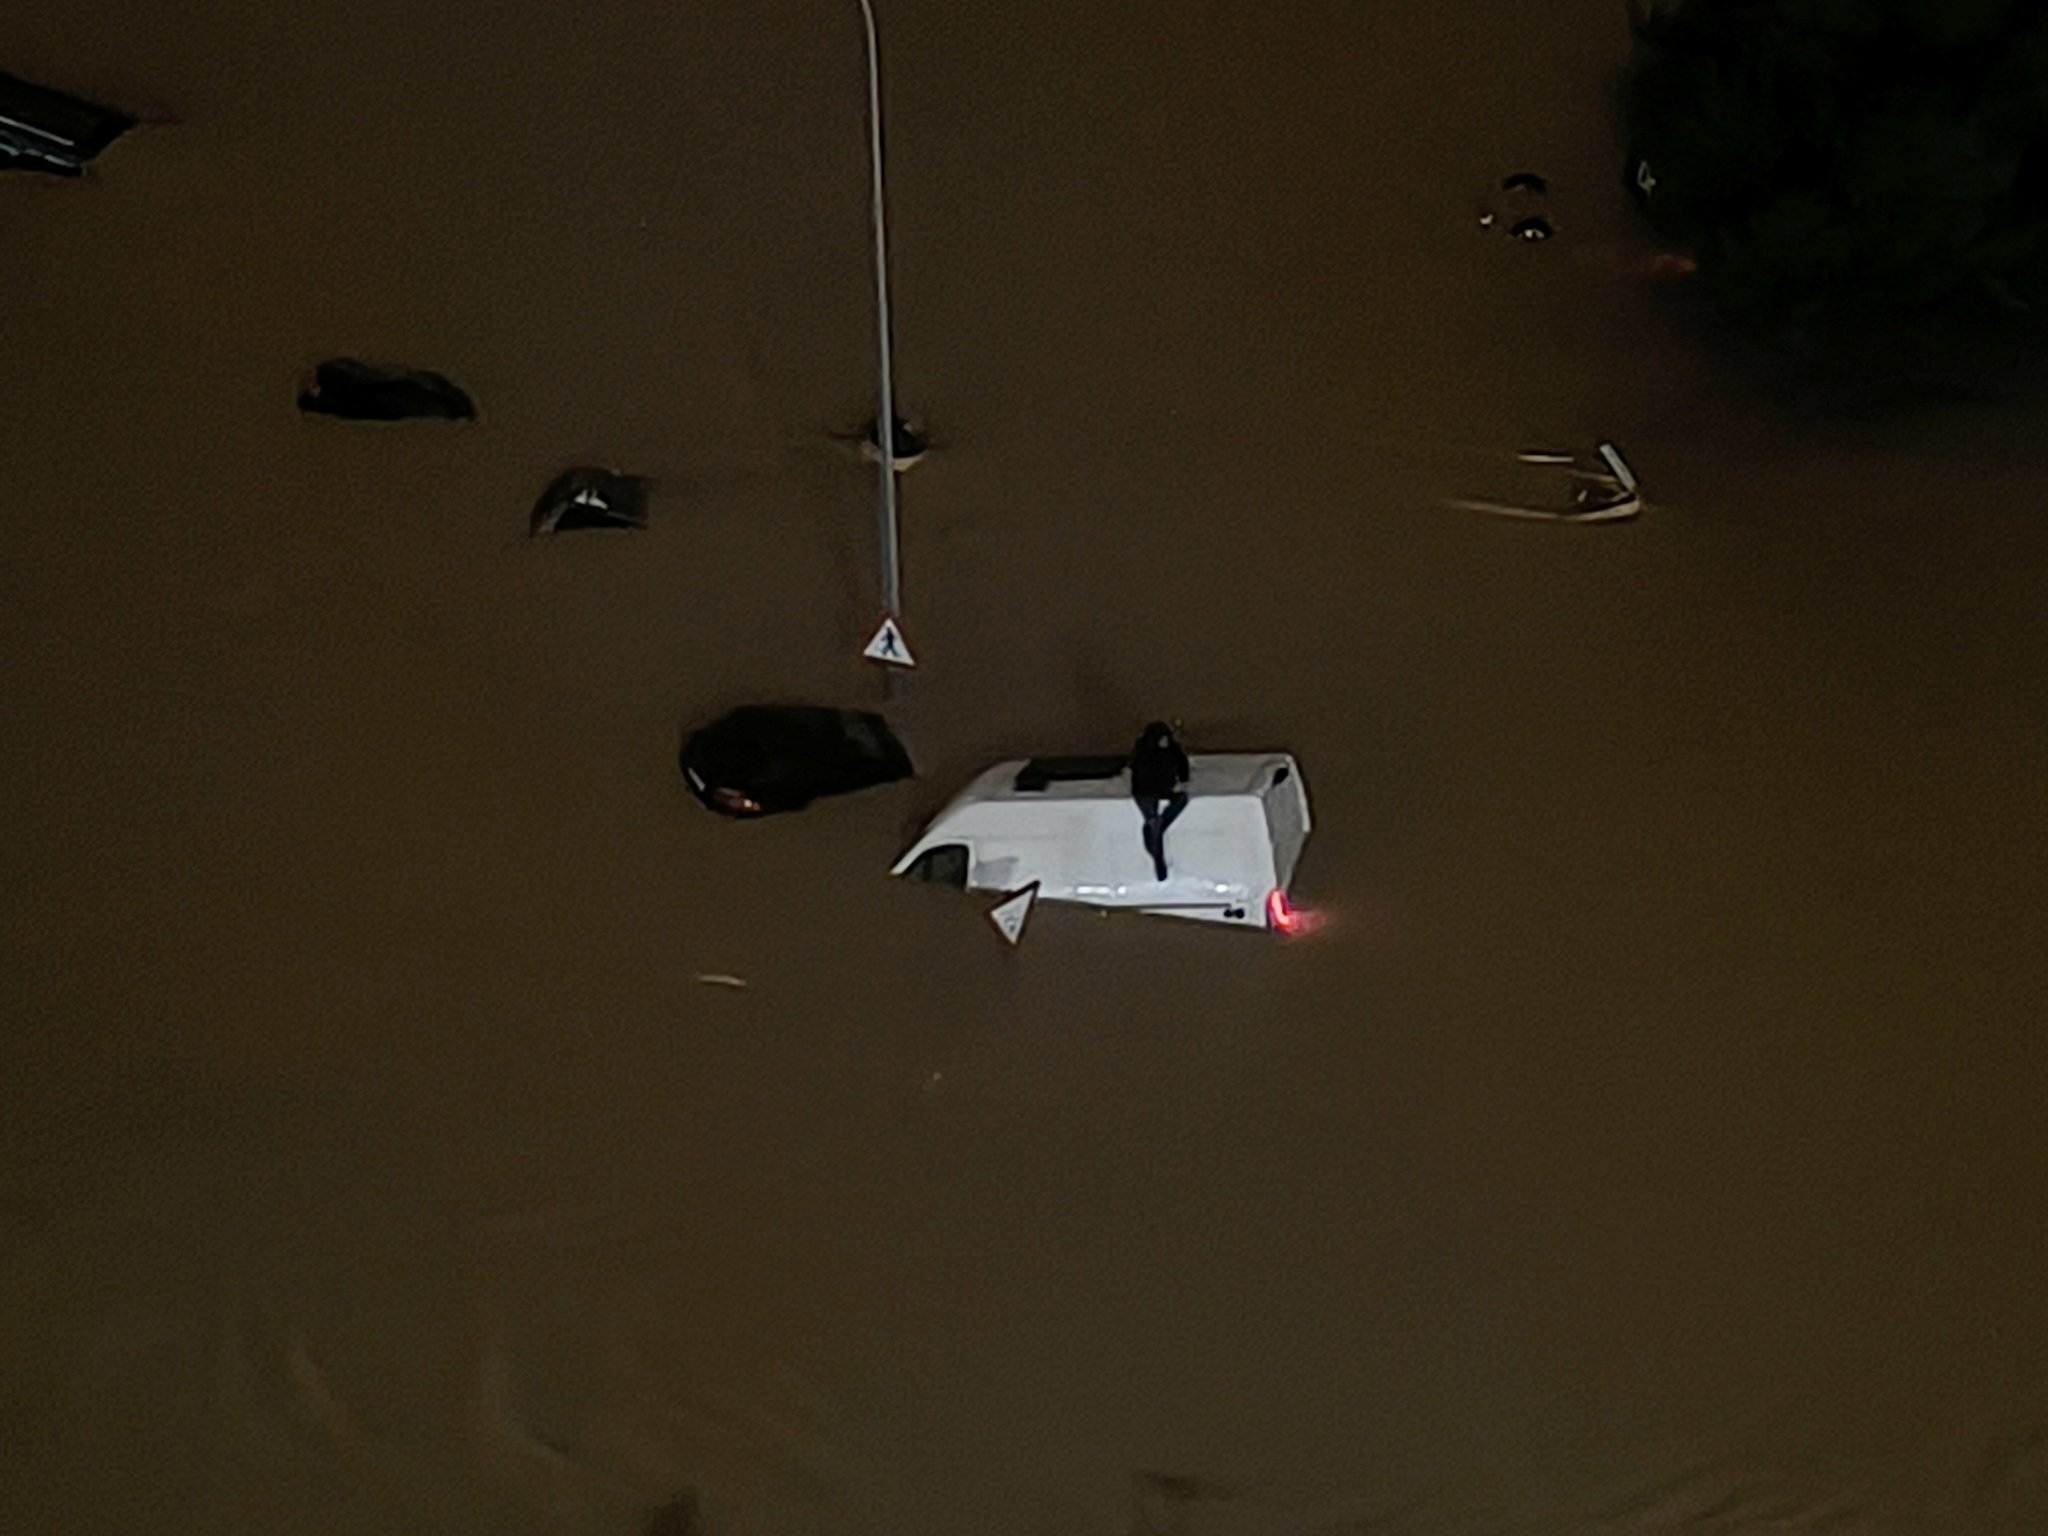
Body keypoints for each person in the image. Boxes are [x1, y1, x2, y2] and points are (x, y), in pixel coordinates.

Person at [1129, 721, 1190, 881]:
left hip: (1156, 791)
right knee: (1154, 821)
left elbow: (1183, 767)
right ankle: (1158, 861)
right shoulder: (1145, 751)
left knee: (1157, 821)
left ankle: (1157, 830)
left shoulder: (1168, 750)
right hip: (1146, 792)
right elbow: (1136, 772)